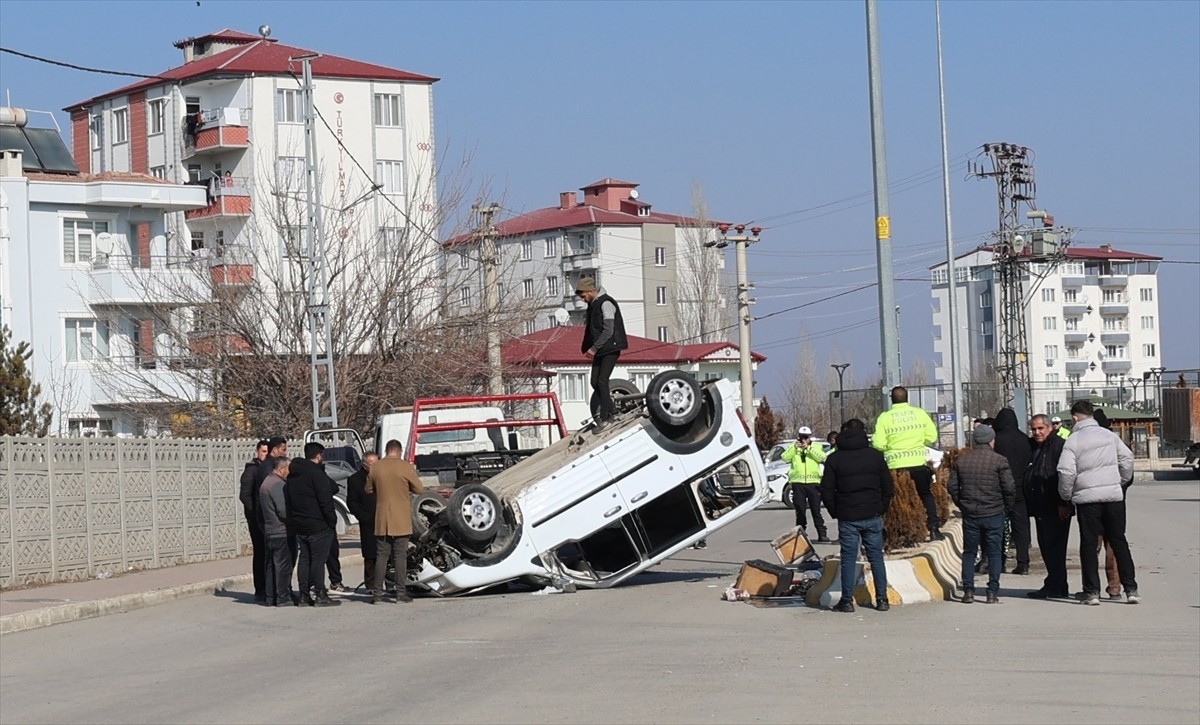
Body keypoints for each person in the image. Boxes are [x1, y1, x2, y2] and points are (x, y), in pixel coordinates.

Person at [1057, 400, 1138, 606]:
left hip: (1087, 500)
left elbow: (1066, 472)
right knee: (1119, 542)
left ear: (1075, 417)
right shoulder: (1110, 436)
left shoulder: (1073, 440)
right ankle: (1131, 589)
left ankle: (1092, 592)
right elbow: (1127, 459)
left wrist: (1066, 496)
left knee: (1089, 544)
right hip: (1113, 496)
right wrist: (1119, 482)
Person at [820, 418, 893, 614]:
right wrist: (881, 507)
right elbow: (888, 487)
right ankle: (882, 599)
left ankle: (846, 601)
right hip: (872, 513)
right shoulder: (875, 456)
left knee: (849, 558)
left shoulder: (834, 459)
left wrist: (835, 511)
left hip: (848, 516)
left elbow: (826, 490)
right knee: (876, 557)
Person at [948, 424, 1015, 604]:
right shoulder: (999, 460)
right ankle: (992, 592)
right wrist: (1007, 507)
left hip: (971, 514)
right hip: (994, 512)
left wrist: (961, 503)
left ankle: (968, 591)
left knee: (969, 552)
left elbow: (952, 486)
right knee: (994, 552)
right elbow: (1009, 487)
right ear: (992, 440)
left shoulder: (962, 462)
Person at [872, 386, 942, 541]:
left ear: (891, 399)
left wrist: (892, 447)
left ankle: (889, 534)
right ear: (907, 398)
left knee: (891, 499)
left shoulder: (885, 417)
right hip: (917, 462)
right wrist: (917, 442)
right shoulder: (920, 414)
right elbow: (931, 436)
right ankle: (934, 529)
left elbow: (878, 443)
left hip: (895, 466)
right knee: (926, 495)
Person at [366, 439, 424, 604]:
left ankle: (377, 594)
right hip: (400, 518)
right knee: (400, 557)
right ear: (399, 451)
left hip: (382, 518)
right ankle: (400, 593)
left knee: (381, 556)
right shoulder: (405, 467)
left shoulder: (376, 467)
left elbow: (368, 489)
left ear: (386, 450)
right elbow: (419, 489)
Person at [285, 442, 341, 607]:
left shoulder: (293, 475)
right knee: (318, 560)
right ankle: (320, 594)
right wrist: (331, 521)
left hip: (300, 523)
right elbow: (326, 501)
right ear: (319, 456)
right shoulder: (316, 475)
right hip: (318, 523)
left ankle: (303, 596)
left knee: (305, 559)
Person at [1025, 414, 1072, 599]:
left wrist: (1063, 503)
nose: (1037, 432)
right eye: (1034, 429)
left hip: (1055, 506)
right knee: (1047, 546)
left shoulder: (1058, 446)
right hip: (1041, 505)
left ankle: (1054, 585)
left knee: (1055, 547)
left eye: (1040, 428)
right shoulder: (1038, 447)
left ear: (1049, 427)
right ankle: (1058, 585)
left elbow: (1063, 477)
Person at [575, 277, 628, 430]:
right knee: (594, 381)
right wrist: (586, 347)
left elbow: (608, 330)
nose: (583, 300)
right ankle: (613, 411)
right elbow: (590, 330)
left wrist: (594, 348)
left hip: (610, 348)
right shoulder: (592, 305)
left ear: (591, 291)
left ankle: (606, 417)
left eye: (583, 296)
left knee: (602, 381)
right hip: (600, 349)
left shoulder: (606, 303)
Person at [1090, 408, 1126, 599]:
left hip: (1092, 503)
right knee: (1113, 547)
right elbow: (1127, 467)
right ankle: (1114, 588)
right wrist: (1120, 487)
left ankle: (1092, 588)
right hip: (1115, 502)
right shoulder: (1115, 442)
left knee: (1091, 547)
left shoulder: (1087, 442)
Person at [992, 408, 1032, 575]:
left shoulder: (996, 440)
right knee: (1021, 526)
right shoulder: (1026, 440)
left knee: (999, 526)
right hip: (1021, 489)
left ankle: (999, 562)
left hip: (1000, 489)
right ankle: (1023, 563)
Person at [781, 426, 830, 542]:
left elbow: (822, 457)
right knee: (800, 510)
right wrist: (794, 448)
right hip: (798, 483)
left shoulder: (816, 447)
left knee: (816, 510)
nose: (804, 439)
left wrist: (808, 448)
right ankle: (801, 534)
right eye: (802, 437)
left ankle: (822, 534)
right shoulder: (793, 447)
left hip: (813, 483)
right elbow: (784, 458)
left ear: (810, 437)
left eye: (806, 437)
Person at [258, 456, 292, 607]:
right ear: (281, 469)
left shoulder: (266, 482)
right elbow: (283, 510)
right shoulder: (277, 484)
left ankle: (270, 596)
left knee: (271, 565)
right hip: (280, 530)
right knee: (282, 565)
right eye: (288, 469)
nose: (289, 473)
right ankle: (282, 596)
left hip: (270, 530)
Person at [238, 439, 269, 603]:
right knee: (260, 553)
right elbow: (245, 496)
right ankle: (260, 589)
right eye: (263, 451)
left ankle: (269, 587)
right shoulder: (251, 470)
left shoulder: (268, 469)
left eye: (267, 452)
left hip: (267, 518)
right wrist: (255, 513)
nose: (265, 455)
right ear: (257, 451)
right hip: (256, 520)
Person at [346, 452, 380, 591]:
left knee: (387, 553)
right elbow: (352, 502)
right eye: (372, 464)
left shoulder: (382, 477)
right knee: (370, 555)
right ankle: (371, 585)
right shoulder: (355, 480)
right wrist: (364, 517)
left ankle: (389, 583)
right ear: (365, 465)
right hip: (368, 521)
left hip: (384, 518)